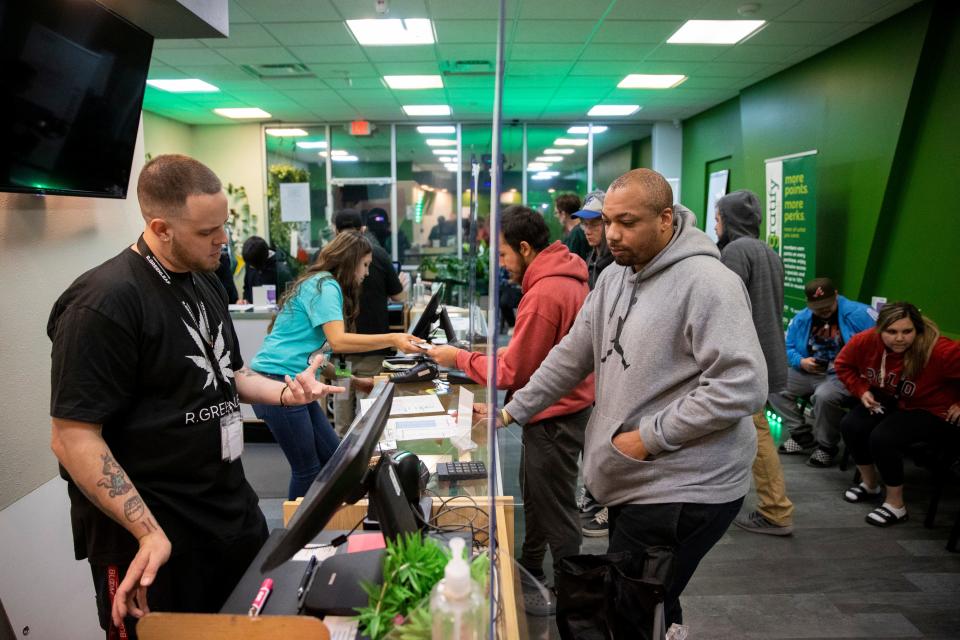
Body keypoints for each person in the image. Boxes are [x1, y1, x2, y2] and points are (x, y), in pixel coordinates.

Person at [48, 154, 344, 639]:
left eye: (223, 225)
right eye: (207, 232)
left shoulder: (204, 280)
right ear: (160, 228)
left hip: (229, 515)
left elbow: (231, 373)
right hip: (155, 539)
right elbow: (72, 436)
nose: (223, 240)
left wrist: (287, 393)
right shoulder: (103, 304)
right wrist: (145, 530)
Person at [500, 168, 767, 626]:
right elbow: (572, 355)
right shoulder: (615, 277)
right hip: (634, 478)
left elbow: (742, 383)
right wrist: (512, 410)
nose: (613, 235)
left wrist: (648, 437)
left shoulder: (708, 283)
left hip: (684, 486)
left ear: (666, 219)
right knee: (652, 599)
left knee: (630, 607)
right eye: (608, 221)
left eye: (628, 222)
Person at [428, 206, 595, 612]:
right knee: (538, 498)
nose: (501, 266)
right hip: (555, 410)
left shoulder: (543, 293)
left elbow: (512, 370)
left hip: (555, 415)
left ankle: (570, 596)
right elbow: (535, 352)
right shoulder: (564, 278)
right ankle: (532, 569)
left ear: (524, 247)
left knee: (556, 509)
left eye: (503, 255)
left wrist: (457, 358)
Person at [249, 230, 425, 500]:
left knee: (335, 459)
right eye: (365, 265)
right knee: (307, 470)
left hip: (296, 382)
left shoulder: (321, 284)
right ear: (351, 260)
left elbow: (323, 364)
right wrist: (392, 337)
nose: (366, 273)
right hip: (278, 383)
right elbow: (339, 341)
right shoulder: (325, 286)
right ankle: (298, 538)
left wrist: (354, 380)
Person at [835, 302, 960, 527]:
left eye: (907, 331)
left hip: (931, 409)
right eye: (891, 332)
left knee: (883, 437)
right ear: (879, 330)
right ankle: (870, 485)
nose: (899, 338)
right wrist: (861, 390)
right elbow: (843, 365)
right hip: (892, 400)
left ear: (918, 330)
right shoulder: (865, 341)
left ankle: (896, 505)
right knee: (851, 425)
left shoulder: (940, 350)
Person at [715, 190, 795, 536]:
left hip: (747, 358)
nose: (715, 225)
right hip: (765, 353)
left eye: (718, 219)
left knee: (756, 431)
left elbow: (723, 308)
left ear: (729, 221)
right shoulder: (767, 251)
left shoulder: (734, 251)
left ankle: (776, 509)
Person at [769, 277, 877, 467]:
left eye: (827, 304)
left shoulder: (859, 314)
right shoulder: (802, 318)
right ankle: (801, 434)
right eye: (817, 306)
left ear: (836, 295)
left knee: (824, 396)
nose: (823, 310)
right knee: (773, 383)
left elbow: (878, 345)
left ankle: (827, 446)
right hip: (810, 370)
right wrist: (801, 361)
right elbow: (788, 346)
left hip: (843, 374)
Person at [329, 209, 408, 431]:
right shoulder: (379, 254)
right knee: (368, 416)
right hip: (372, 351)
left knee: (342, 414)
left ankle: (341, 458)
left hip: (341, 357)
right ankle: (365, 461)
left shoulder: (327, 260)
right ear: (363, 229)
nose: (364, 272)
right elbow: (399, 297)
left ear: (335, 230)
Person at [568, 189, 613, 535]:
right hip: (598, 363)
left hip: (613, 366)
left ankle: (606, 505)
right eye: (586, 223)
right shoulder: (596, 259)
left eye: (596, 222)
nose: (589, 229)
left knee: (607, 435)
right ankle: (596, 497)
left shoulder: (616, 262)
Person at [572, 189, 613, 291]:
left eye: (594, 224)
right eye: (585, 224)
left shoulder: (619, 263)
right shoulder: (590, 259)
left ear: (608, 224)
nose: (587, 231)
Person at [239, 235, 293, 303]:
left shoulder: (281, 270)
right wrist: (245, 300)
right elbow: (247, 287)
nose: (250, 267)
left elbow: (289, 295)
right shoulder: (251, 259)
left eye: (252, 266)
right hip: (254, 310)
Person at [554, 192, 591, 261]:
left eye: (556, 213)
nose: (556, 216)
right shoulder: (579, 230)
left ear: (563, 214)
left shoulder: (576, 234)